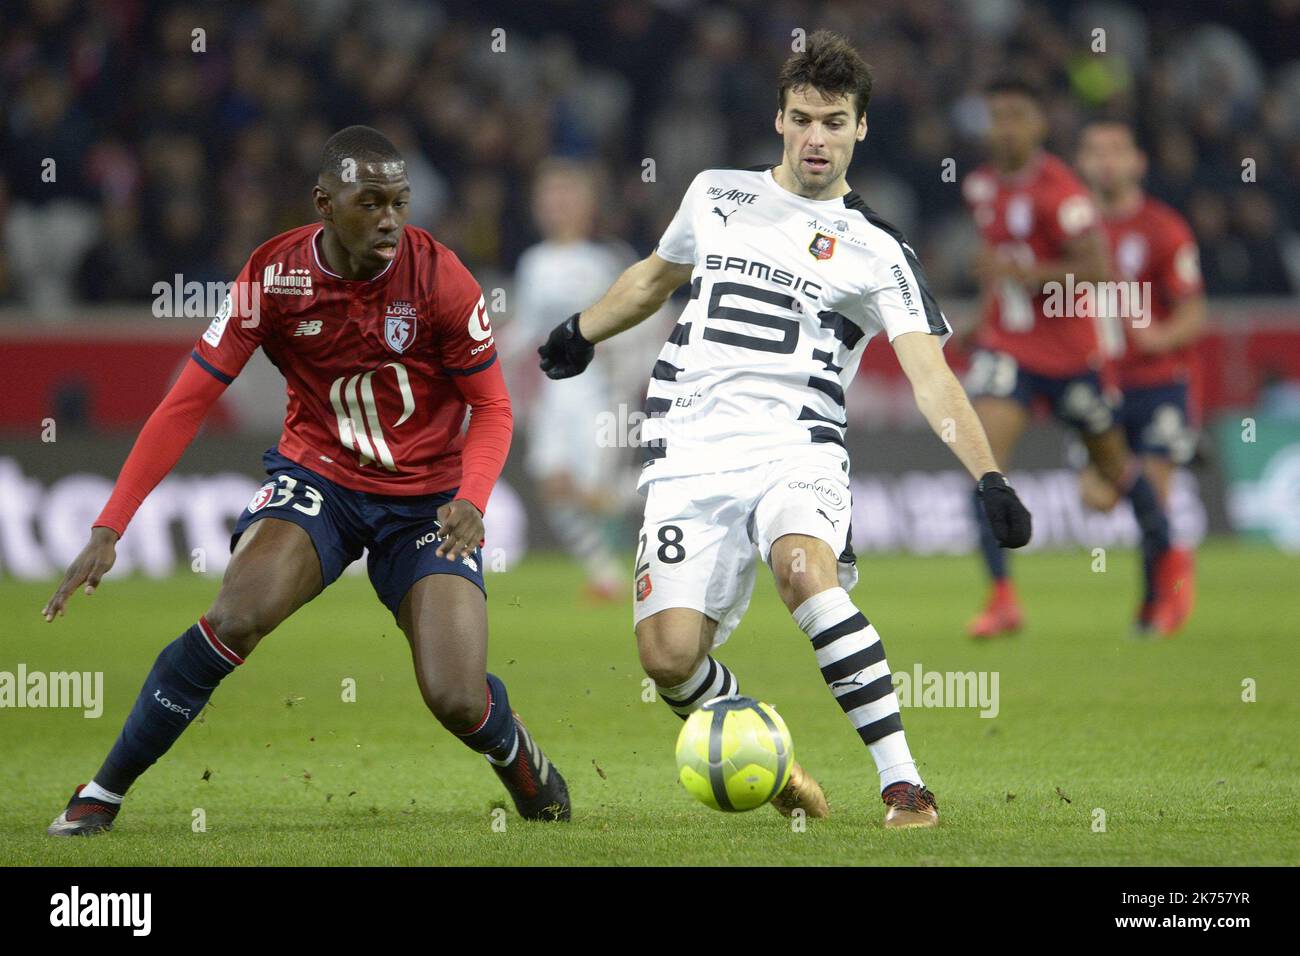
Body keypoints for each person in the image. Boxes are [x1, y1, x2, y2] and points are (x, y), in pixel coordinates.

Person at [538, 33, 1031, 828]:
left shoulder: (878, 251)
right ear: (778, 119)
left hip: (794, 449)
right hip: (686, 453)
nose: (815, 138)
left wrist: (988, 476)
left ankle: (905, 786)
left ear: (861, 128)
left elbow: (931, 373)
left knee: (805, 570)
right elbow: (654, 277)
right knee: (667, 657)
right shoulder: (714, 194)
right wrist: (582, 329)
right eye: (802, 118)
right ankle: (774, 761)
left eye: (834, 122)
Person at [42, 126, 570, 835]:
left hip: (427, 503)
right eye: (369, 201)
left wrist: (471, 500)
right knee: (235, 615)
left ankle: (515, 751)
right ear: (325, 202)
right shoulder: (274, 276)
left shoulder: (440, 279)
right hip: (319, 479)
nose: (389, 217)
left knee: (454, 697)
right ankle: (101, 793)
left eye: (399, 202)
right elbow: (186, 402)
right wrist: (110, 527)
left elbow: (494, 407)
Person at [960, 78, 1184, 639]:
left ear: (1039, 127)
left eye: (1016, 116)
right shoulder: (982, 186)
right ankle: (1003, 598)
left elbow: (1097, 268)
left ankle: (1159, 591)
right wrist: (979, 322)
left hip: (1069, 356)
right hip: (1009, 348)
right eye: (997, 116)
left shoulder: (1061, 192)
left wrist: (1025, 276)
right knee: (982, 463)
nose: (1004, 127)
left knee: (1117, 474)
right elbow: (999, 265)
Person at [1074, 120, 1203, 635]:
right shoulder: (1073, 231)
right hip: (1098, 383)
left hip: (1158, 382)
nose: (1105, 162)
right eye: (1094, 151)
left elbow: (1194, 311)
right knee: (1097, 497)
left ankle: (1155, 606)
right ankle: (1174, 556)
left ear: (1136, 163)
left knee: (1154, 489)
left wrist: (1160, 337)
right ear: (1081, 163)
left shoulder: (1163, 228)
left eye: (1116, 151)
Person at [505, 159, 646, 601]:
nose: (557, 206)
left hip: (598, 394)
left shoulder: (608, 260)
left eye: (567, 196)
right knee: (554, 487)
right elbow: (525, 329)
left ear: (587, 205)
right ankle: (604, 575)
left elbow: (641, 322)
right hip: (554, 396)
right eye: (549, 196)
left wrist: (614, 350)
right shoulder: (534, 262)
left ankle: (677, 487)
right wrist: (478, 356)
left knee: (595, 494)